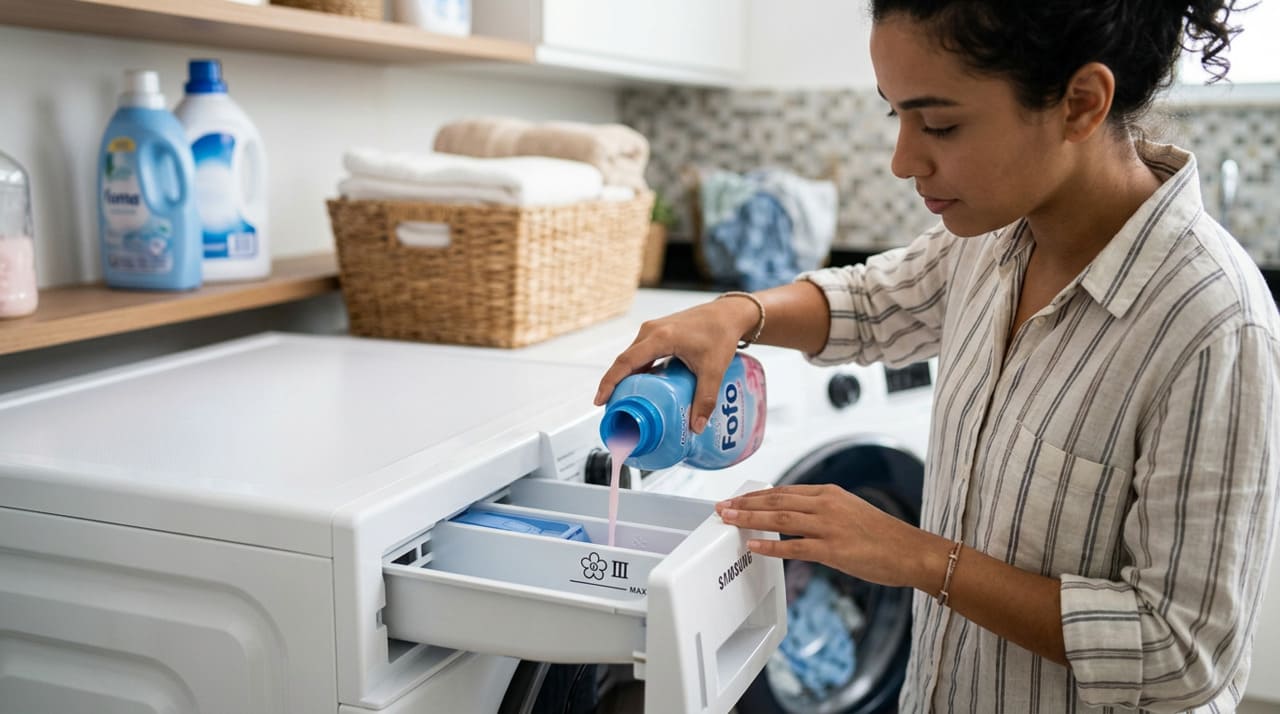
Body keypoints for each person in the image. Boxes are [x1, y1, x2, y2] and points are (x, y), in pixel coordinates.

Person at [594, 1, 1280, 711]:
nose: (902, 160)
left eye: (941, 124)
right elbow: (873, 302)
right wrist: (740, 312)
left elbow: (1181, 651)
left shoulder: (1213, 323)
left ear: (1080, 104)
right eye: (897, 115)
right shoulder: (992, 235)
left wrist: (918, 558)